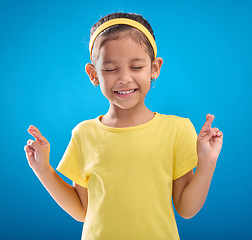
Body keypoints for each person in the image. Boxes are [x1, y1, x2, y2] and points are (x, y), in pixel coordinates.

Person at [24, 12, 223, 240]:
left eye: (136, 67)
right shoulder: (84, 133)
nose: (124, 78)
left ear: (154, 68)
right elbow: (81, 211)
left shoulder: (176, 129)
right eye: (110, 69)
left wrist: (207, 162)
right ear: (93, 74)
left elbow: (186, 209)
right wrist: (42, 169)